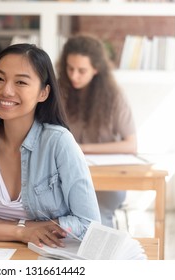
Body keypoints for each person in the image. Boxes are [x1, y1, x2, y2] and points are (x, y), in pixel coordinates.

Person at [0, 43, 100, 248]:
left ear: (43, 93)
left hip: (46, 257)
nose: (6, 90)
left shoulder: (59, 142)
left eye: (21, 82)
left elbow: (89, 224)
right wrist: (21, 231)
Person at [57, 33, 137, 228]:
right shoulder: (57, 92)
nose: (74, 76)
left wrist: (82, 148)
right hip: (65, 176)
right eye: (70, 68)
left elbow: (131, 145)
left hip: (108, 179)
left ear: (96, 69)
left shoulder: (114, 95)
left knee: (98, 218)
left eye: (81, 70)